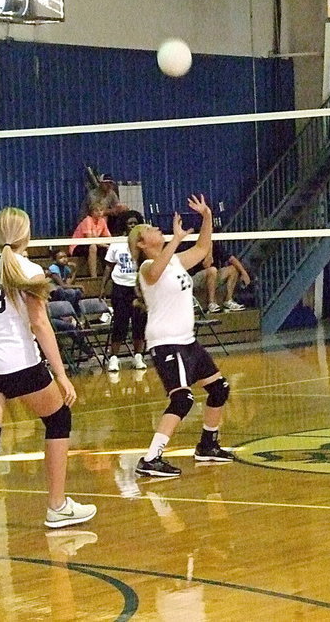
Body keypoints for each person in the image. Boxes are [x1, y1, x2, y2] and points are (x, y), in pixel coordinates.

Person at [0, 207, 96, 550]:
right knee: (59, 417)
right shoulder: (29, 270)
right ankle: (57, 506)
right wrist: (61, 375)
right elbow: (41, 325)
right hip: (19, 363)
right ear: (27, 234)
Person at [128, 194, 234, 478]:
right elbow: (155, 273)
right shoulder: (146, 268)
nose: (155, 229)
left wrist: (207, 216)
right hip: (166, 343)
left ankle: (208, 446)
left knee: (219, 389)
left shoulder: (174, 261)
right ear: (141, 243)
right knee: (182, 400)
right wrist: (174, 239)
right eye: (149, 229)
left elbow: (202, 247)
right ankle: (150, 458)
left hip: (187, 341)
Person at [101, 210, 148, 371]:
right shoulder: (117, 243)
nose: (133, 226)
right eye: (130, 223)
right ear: (124, 225)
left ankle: (138, 356)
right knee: (120, 322)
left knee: (139, 323)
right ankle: (114, 358)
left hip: (138, 288)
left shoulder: (143, 243)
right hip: (120, 287)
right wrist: (103, 287)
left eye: (135, 223)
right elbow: (109, 266)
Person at [189, 240, 248, 313]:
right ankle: (211, 303)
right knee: (212, 270)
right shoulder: (196, 246)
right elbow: (207, 264)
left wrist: (243, 272)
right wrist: (209, 251)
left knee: (232, 269)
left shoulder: (216, 246)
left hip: (213, 277)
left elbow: (232, 258)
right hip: (195, 278)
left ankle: (228, 301)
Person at [70, 201, 111, 278]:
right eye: (96, 210)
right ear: (91, 212)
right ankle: (93, 276)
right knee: (93, 247)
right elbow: (89, 239)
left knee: (106, 249)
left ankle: (107, 275)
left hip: (94, 244)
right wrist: (103, 245)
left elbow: (109, 237)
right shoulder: (87, 220)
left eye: (101, 210)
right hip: (78, 246)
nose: (99, 212)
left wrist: (108, 245)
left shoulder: (102, 221)